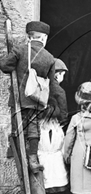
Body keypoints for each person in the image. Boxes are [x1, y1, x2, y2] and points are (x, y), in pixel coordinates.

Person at [0, 21, 59, 174]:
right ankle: (33, 159)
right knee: (33, 128)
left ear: (29, 37)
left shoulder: (20, 50)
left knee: (17, 126)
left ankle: (14, 152)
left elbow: (5, 66)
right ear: (44, 38)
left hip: (20, 99)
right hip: (37, 100)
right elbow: (52, 83)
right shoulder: (50, 57)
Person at [38, 58, 69, 194]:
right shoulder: (59, 91)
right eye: (62, 74)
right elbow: (63, 114)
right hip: (55, 133)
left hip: (44, 152)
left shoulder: (41, 85)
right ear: (58, 74)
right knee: (57, 180)